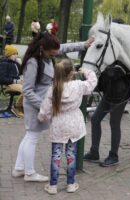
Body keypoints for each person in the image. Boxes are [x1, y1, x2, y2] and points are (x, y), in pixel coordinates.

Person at [12, 32, 94, 182]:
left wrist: (83, 44)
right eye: (52, 54)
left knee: (29, 136)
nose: (54, 56)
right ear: (43, 48)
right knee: (32, 137)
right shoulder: (33, 62)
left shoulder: (46, 52)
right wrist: (45, 106)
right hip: (36, 105)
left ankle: (19, 168)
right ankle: (29, 173)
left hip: (43, 103)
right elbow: (27, 90)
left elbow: (63, 48)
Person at [38, 59, 97, 194]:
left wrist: (41, 118)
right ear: (72, 73)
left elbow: (45, 110)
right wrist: (86, 71)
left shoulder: (53, 89)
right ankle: (71, 183)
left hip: (59, 125)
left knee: (56, 156)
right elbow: (92, 82)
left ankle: (53, 185)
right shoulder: (78, 85)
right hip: (74, 125)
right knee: (71, 155)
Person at [83, 18, 130, 167]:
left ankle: (114, 155)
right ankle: (94, 152)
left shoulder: (126, 51)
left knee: (114, 122)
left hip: (121, 93)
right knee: (95, 119)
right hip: (109, 92)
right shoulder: (108, 45)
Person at [0, 45, 23, 117]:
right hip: (10, 85)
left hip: (18, 84)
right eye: (14, 54)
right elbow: (2, 79)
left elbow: (22, 73)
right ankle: (17, 107)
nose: (16, 55)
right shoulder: (4, 64)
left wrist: (20, 64)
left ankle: (23, 108)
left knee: (31, 87)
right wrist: (16, 81)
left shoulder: (15, 63)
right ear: (9, 55)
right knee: (26, 90)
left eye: (16, 54)